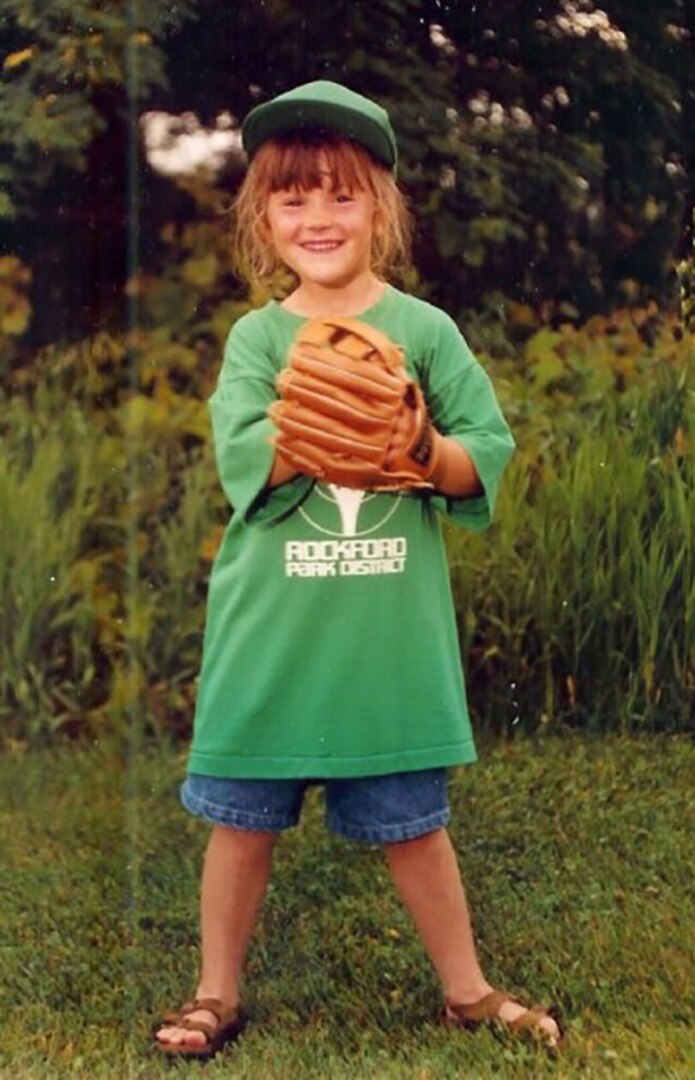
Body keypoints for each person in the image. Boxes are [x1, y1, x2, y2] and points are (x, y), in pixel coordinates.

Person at [154, 80, 562, 1058]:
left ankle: (465, 991)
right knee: (240, 822)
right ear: (262, 216)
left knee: (413, 826)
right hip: (273, 628)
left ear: (380, 206)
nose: (317, 216)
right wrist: (313, 415)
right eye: (292, 198)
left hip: (384, 634)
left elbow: (479, 456)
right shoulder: (258, 338)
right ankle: (215, 994)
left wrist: (416, 445)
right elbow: (241, 453)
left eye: (340, 193)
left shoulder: (423, 334)